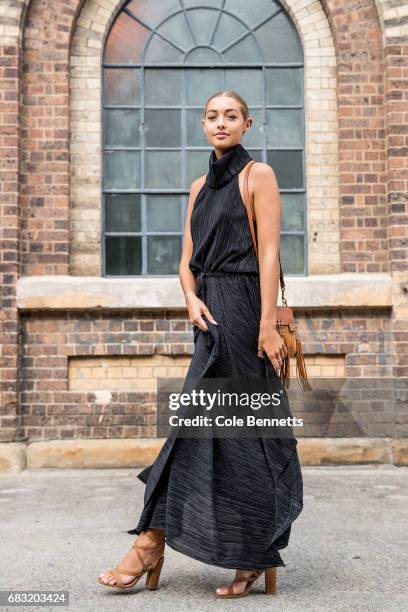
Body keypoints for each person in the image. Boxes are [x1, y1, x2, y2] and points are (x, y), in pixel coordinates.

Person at [97, 90, 303, 598]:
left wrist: (264, 324)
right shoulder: (196, 189)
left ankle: (156, 542)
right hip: (208, 316)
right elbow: (185, 263)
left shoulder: (260, 177)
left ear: (247, 124)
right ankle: (193, 545)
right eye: (212, 116)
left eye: (230, 116)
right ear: (202, 125)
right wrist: (190, 299)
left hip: (244, 311)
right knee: (203, 429)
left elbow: (272, 253)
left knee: (235, 433)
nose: (220, 123)